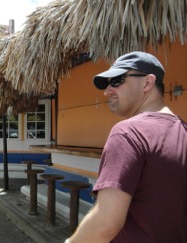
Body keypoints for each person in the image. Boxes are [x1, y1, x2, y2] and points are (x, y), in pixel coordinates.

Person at [65, 51, 187, 242]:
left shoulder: (128, 133)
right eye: (107, 84)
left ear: (147, 83)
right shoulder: (183, 132)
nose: (107, 91)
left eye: (117, 80)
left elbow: (107, 222)